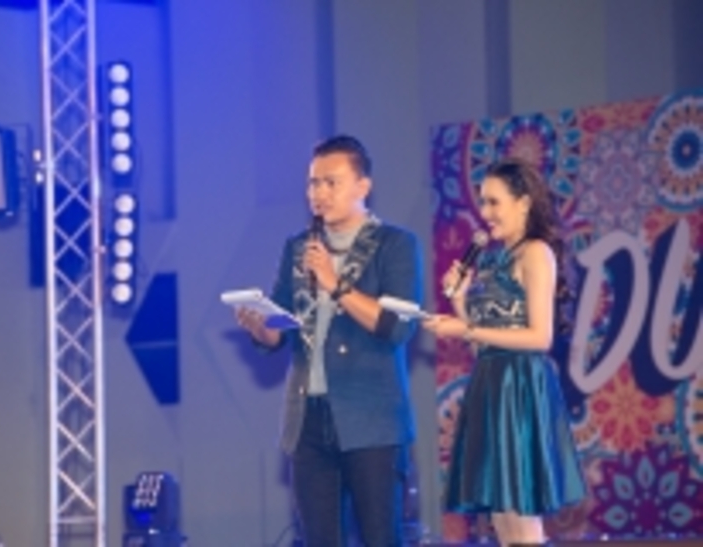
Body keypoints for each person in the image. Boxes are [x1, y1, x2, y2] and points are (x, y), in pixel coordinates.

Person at [235, 135, 424, 546]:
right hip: (308, 418)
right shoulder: (299, 247)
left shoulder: (394, 245)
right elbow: (282, 326)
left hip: (372, 420)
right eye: (313, 183)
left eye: (330, 182)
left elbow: (397, 326)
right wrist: (261, 327)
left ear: (363, 186)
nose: (318, 193)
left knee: (380, 537)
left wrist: (335, 284)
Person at [422, 157, 586, 547]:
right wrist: (461, 301)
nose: (485, 213)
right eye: (482, 202)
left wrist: (465, 327)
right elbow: (483, 344)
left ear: (523, 203)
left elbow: (540, 337)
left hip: (520, 387)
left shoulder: (536, 253)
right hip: (492, 384)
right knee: (502, 521)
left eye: (494, 202)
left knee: (522, 521)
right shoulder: (497, 260)